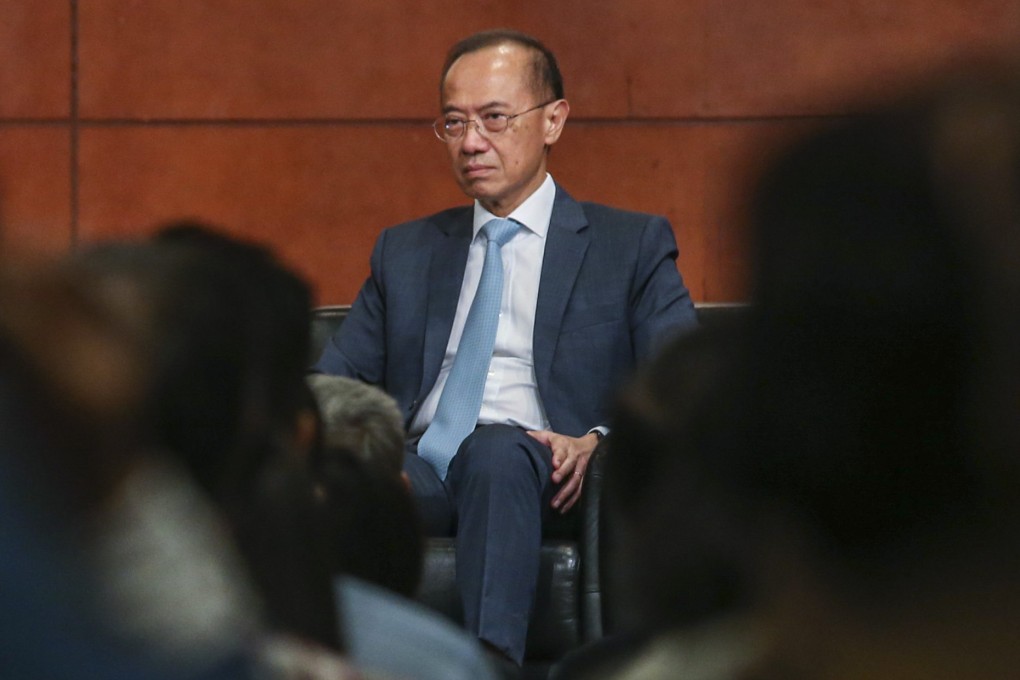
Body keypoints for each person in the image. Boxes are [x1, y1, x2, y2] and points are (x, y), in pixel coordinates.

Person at [315, 28, 698, 665]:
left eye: (494, 118)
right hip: (425, 464)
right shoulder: (406, 252)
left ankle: (489, 667)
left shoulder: (627, 246)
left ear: (553, 120)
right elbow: (335, 382)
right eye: (454, 122)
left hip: (546, 469)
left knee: (494, 453)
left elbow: (682, 376)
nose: (471, 142)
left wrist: (598, 439)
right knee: (351, 479)